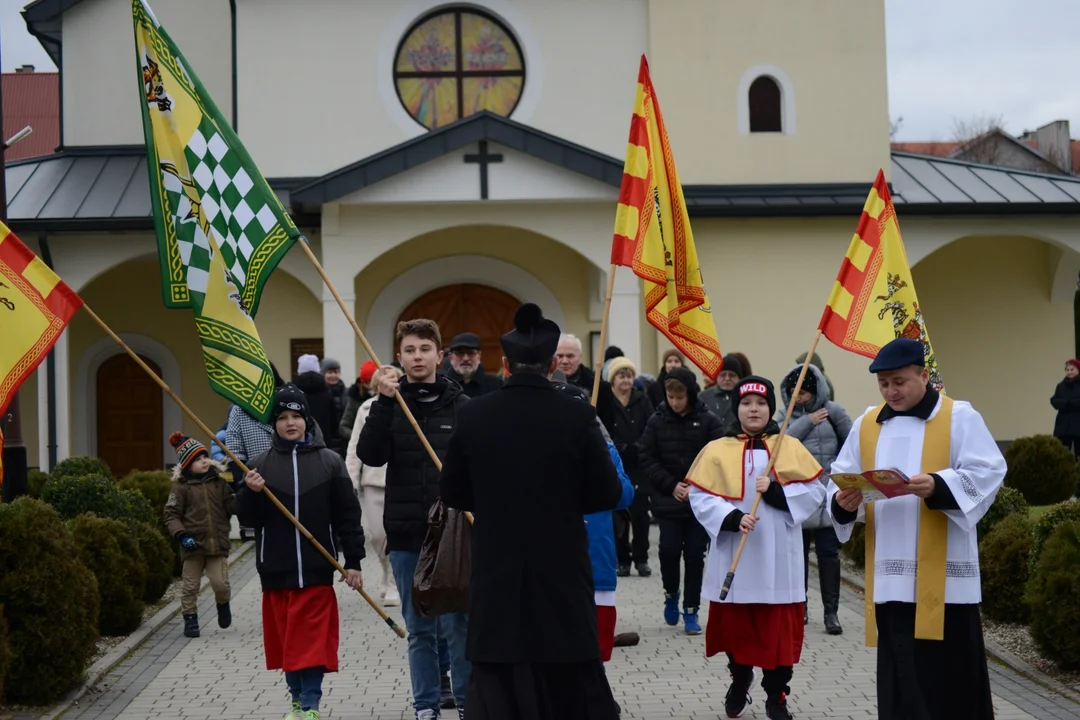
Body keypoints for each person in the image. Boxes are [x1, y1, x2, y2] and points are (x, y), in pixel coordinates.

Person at [439, 302, 624, 720]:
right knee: (566, 670)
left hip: (496, 564)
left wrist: (491, 502)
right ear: (553, 363)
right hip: (561, 567)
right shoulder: (579, 414)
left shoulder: (474, 414)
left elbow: (451, 491)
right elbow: (607, 493)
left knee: (500, 668)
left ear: (504, 364)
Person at [827, 338, 1006, 720]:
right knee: (903, 678)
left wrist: (939, 487)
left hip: (946, 581)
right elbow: (839, 480)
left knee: (952, 679)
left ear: (924, 376)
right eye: (884, 384)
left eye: (899, 381)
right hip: (891, 575)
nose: (891, 391)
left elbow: (989, 471)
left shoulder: (959, 417)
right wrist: (845, 504)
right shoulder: (867, 424)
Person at [687, 376, 825, 719]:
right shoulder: (717, 449)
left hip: (778, 557)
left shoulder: (788, 447)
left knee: (777, 635)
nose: (753, 409)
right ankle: (740, 678)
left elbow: (815, 492)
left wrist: (777, 492)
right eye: (747, 403)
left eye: (761, 404)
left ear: (771, 409)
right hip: (737, 553)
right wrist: (731, 518)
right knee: (738, 629)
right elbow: (700, 496)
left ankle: (776, 696)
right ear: (737, 408)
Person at [356, 319, 471, 720]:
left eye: (424, 349)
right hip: (407, 532)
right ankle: (425, 705)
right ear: (399, 357)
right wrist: (385, 403)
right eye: (409, 350)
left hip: (456, 533)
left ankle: (468, 701)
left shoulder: (462, 407)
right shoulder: (387, 406)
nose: (417, 357)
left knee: (460, 622)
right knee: (420, 627)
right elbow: (371, 455)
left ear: (440, 355)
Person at [236, 384, 366, 720]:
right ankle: (296, 699)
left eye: (296, 416)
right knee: (289, 646)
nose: (290, 423)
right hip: (276, 572)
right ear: (274, 423)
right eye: (282, 417)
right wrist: (250, 493)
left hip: (317, 570)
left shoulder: (330, 463)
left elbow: (348, 516)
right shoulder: (258, 466)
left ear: (307, 420)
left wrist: (353, 562)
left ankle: (311, 703)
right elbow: (248, 520)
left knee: (310, 644)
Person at [638, 366, 725, 634]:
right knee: (668, 552)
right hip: (668, 500)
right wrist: (671, 485)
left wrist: (696, 488)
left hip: (699, 503)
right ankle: (670, 594)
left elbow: (718, 458)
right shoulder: (656, 420)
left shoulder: (708, 421)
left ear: (690, 394)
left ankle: (691, 610)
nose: (675, 403)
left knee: (695, 555)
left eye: (680, 397)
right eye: (670, 397)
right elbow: (646, 456)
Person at [777, 363, 853, 634]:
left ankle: (831, 613)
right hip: (797, 498)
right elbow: (779, 445)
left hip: (827, 495)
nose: (799, 398)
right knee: (796, 557)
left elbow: (851, 445)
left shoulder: (834, 412)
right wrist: (806, 421)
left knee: (828, 556)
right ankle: (801, 607)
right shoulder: (782, 416)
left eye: (805, 394)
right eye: (795, 393)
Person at [164, 431, 236, 638]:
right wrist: (182, 535)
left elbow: (232, 505)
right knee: (190, 586)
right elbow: (171, 514)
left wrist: (245, 494)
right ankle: (190, 619)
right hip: (192, 545)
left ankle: (223, 604)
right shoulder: (180, 488)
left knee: (220, 584)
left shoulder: (219, 483)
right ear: (187, 464)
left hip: (216, 544)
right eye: (197, 459)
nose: (204, 461)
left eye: (204, 456)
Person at [345, 365, 403, 608]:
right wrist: (349, 479)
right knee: (377, 535)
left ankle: (393, 582)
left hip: (399, 480)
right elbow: (355, 446)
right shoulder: (365, 409)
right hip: (373, 481)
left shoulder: (406, 407)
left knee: (396, 536)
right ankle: (385, 569)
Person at [606, 357, 655, 578]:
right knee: (618, 517)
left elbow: (650, 427)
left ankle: (641, 559)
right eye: (621, 375)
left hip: (639, 465)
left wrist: (638, 447)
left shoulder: (642, 400)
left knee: (641, 516)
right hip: (615, 464)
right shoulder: (606, 401)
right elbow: (603, 429)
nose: (625, 380)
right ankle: (622, 561)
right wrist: (620, 447)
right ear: (613, 379)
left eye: (629, 375)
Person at [295, 354, 342, 456]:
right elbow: (334, 423)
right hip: (324, 445)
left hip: (299, 443)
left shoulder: (294, 393)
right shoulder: (327, 393)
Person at [444, 332, 503, 398]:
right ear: (450, 357)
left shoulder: (496, 385)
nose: (465, 358)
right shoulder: (441, 384)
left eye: (471, 353)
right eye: (460, 353)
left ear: (479, 356)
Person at [699, 354, 743, 433]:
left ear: (738, 378)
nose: (727, 379)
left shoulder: (744, 397)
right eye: (723, 375)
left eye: (732, 375)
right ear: (717, 377)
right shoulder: (703, 397)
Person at [339, 360, 377, 442]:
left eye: (373, 382)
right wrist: (357, 437)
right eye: (367, 382)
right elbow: (344, 426)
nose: (370, 386)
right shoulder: (354, 398)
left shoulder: (384, 395)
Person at [1052, 358, 1080, 457]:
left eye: (1072, 369)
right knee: (1062, 453)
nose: (1069, 372)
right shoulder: (1061, 386)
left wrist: (1068, 403)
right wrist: (1066, 403)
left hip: (1077, 424)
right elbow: (1054, 400)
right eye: (1067, 370)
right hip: (1063, 425)